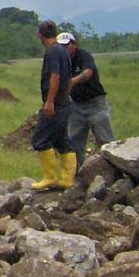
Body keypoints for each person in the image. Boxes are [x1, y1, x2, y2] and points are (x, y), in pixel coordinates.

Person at [32, 19, 77, 189]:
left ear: (40, 35)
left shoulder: (52, 52)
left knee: (40, 140)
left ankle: (49, 177)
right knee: (62, 140)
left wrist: (49, 102)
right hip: (65, 102)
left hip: (56, 104)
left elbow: (55, 76)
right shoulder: (63, 50)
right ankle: (67, 180)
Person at [62, 30, 115, 168]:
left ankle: (114, 171)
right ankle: (77, 174)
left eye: (67, 45)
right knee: (74, 142)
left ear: (74, 44)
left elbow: (88, 73)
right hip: (76, 106)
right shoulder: (62, 61)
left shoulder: (84, 56)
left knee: (105, 141)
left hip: (95, 104)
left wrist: (72, 82)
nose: (65, 49)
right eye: (61, 46)